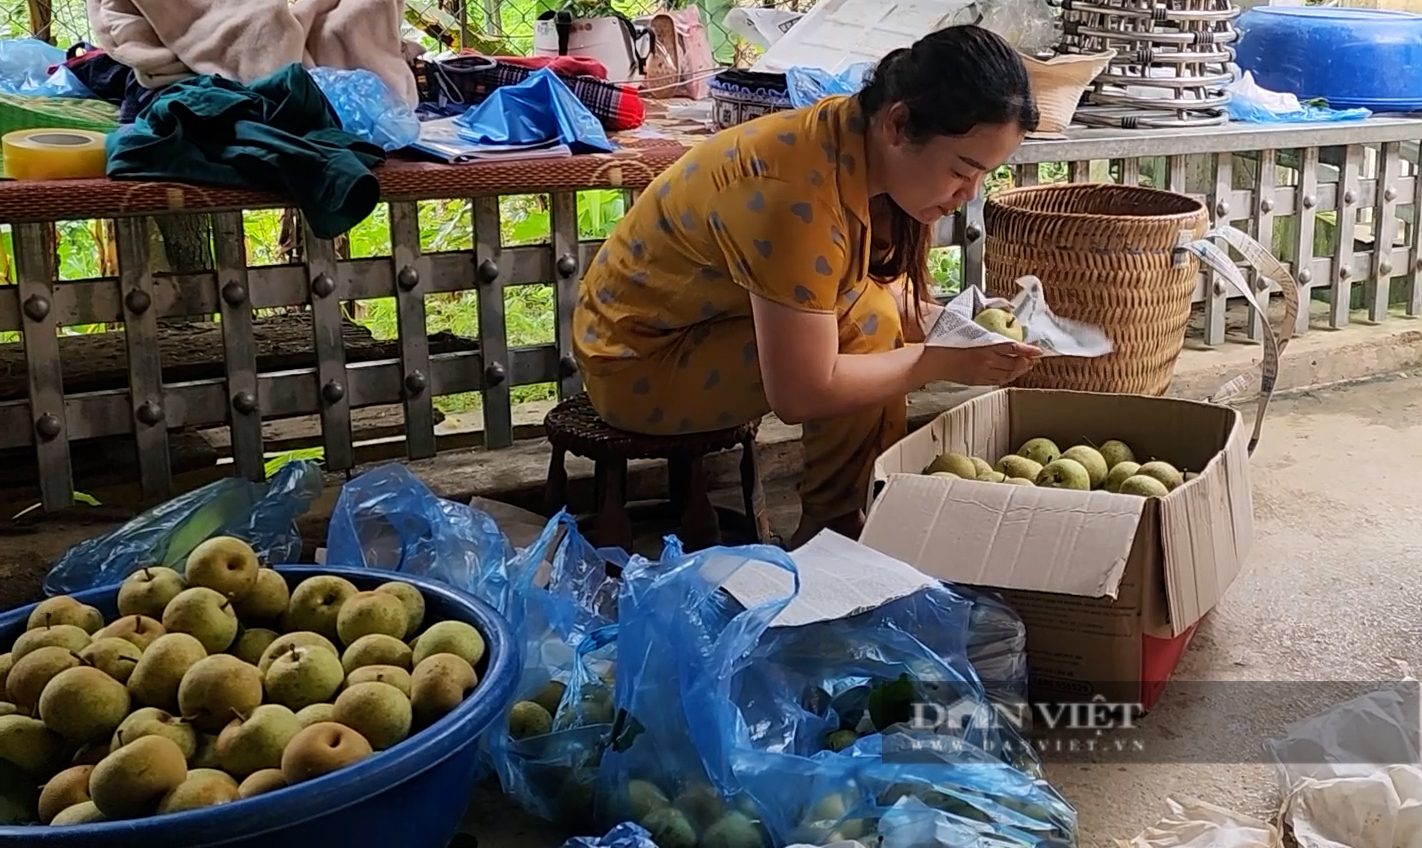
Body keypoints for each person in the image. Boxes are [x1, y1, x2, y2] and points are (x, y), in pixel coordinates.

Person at [572, 24, 1043, 548]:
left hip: (705, 327)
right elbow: (803, 391)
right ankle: (831, 531)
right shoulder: (792, 192)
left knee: (878, 320)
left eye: (984, 177)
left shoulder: (846, 138)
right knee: (871, 329)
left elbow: (843, 292)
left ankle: (844, 517)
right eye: (962, 170)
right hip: (637, 362)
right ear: (899, 123)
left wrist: (953, 323)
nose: (967, 194)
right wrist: (941, 361)